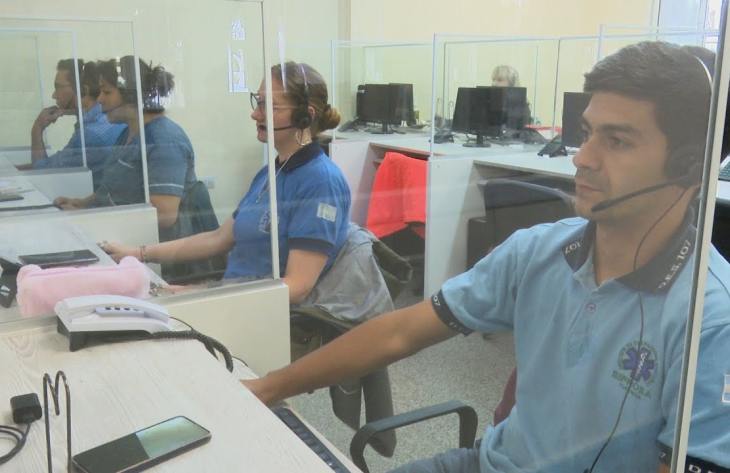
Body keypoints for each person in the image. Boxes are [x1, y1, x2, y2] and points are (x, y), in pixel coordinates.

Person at [243, 42, 730, 472]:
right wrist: (270, 387)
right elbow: (399, 332)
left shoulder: (711, 321)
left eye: (617, 141)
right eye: (587, 133)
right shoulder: (540, 251)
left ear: (690, 165)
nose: (583, 157)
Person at [102, 62, 351, 303]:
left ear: (305, 117)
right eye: (257, 102)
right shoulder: (271, 173)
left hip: (265, 314)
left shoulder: (321, 182)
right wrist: (139, 253)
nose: (255, 114)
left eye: (267, 106)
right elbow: (219, 238)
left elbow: (297, 287)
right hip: (232, 299)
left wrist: (204, 295)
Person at [54, 56, 198, 235]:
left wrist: (91, 218)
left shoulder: (165, 140)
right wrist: (83, 204)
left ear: (132, 95)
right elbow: (112, 188)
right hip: (123, 235)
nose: (100, 99)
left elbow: (163, 215)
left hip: (155, 244)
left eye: (107, 92)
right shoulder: (128, 134)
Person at [26, 59, 126, 188]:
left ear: (83, 90)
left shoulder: (89, 136)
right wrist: (75, 112)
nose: (54, 95)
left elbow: (43, 172)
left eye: (58, 87)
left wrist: (37, 128)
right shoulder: (106, 120)